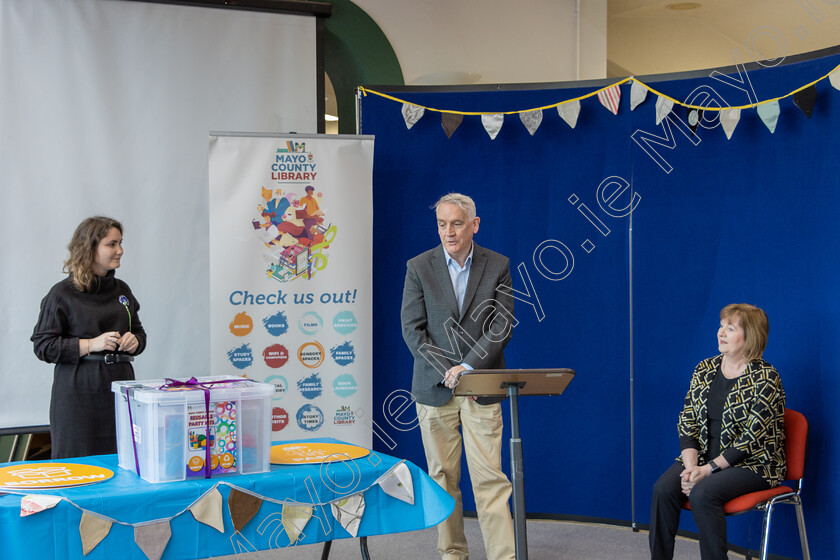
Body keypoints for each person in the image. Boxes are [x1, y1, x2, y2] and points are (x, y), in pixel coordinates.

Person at [401, 193, 516, 560]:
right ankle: (452, 554)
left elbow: (501, 326)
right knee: (441, 480)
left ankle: (503, 556)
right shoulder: (419, 267)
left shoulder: (497, 265)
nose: (448, 232)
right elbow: (412, 329)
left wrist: (467, 367)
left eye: (456, 223)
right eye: (441, 224)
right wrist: (447, 369)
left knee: (491, 480)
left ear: (474, 225)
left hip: (481, 385)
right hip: (433, 389)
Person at [649, 303, 786, 560]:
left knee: (703, 492)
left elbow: (749, 440)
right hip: (703, 459)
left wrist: (706, 471)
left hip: (754, 465)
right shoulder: (704, 369)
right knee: (663, 489)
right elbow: (688, 419)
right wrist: (691, 468)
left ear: (751, 336)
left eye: (730, 328)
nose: (721, 333)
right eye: (721, 326)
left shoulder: (767, 378)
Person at [32, 216, 146, 459]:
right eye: (112, 244)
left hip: (119, 389)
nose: (120, 250)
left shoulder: (122, 290)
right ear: (90, 248)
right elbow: (44, 346)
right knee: (79, 465)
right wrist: (91, 345)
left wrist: (135, 341)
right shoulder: (62, 294)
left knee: (122, 460)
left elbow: (138, 332)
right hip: (79, 395)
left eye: (120, 243)